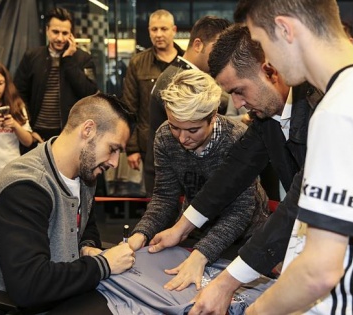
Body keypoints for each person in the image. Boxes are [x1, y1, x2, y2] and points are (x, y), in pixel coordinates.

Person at [200, 0, 353, 314]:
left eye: (263, 43)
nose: (267, 62)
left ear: (285, 29)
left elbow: (318, 272)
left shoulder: (341, 109)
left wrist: (257, 311)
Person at [143, 24, 320, 313]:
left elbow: (298, 202)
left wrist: (227, 282)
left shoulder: (321, 111)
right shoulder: (267, 114)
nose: (237, 104)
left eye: (239, 91)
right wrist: (181, 227)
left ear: (269, 71)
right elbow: (233, 172)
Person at [0, 93, 136, 309]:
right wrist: (103, 265)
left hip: (68, 294)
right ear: (88, 130)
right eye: (113, 149)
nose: (115, 162)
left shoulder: (85, 173)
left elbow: (86, 226)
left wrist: (87, 247)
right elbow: (29, 287)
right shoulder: (25, 187)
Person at [127, 69, 269, 291]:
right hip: (194, 231)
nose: (182, 138)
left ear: (212, 116)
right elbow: (165, 197)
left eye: (193, 130)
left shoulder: (238, 139)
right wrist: (141, 233)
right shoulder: (165, 137)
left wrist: (203, 253)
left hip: (246, 238)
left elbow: (241, 210)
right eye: (175, 127)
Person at [144, 16, 231, 194]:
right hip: (173, 183)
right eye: (218, 49)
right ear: (198, 45)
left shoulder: (183, 75)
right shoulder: (175, 80)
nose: (223, 56)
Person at [14, 7, 98, 145]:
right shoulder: (32, 56)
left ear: (71, 34)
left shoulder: (83, 58)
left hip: (70, 131)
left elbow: (89, 93)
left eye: (65, 33)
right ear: (47, 30)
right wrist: (28, 128)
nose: (60, 38)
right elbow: (19, 94)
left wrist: (68, 61)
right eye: (55, 32)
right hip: (37, 132)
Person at [121, 9, 184, 174]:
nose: (158, 34)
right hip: (148, 143)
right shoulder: (137, 63)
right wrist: (132, 148)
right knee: (156, 196)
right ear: (149, 31)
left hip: (185, 142)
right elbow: (129, 107)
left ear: (174, 30)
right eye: (154, 29)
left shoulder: (186, 62)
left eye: (164, 29)